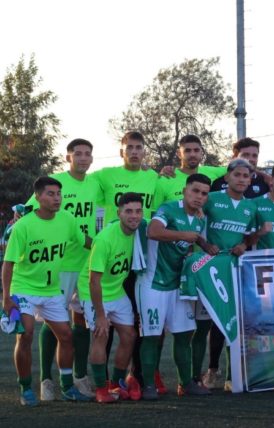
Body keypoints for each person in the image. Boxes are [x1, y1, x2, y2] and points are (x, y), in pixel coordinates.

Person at [23, 139, 102, 400]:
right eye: (77, 154)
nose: (83, 158)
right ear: (68, 157)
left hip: (88, 261)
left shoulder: (96, 183)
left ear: (92, 158)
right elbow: (26, 213)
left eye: (87, 154)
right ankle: (47, 380)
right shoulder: (54, 182)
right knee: (54, 321)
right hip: (60, 264)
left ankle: (78, 378)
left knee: (82, 321)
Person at [2, 177, 90, 405]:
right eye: (50, 194)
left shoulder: (68, 219)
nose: (56, 198)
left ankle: (67, 386)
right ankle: (25, 388)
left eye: (58, 194)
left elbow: (86, 242)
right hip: (24, 288)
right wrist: (6, 297)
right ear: (38, 197)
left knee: (66, 335)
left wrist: (112, 241)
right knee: (27, 333)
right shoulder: (23, 226)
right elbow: (8, 263)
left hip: (51, 290)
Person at [90, 131, 160, 398]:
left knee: (137, 325)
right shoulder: (105, 175)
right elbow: (76, 182)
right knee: (102, 328)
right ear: (122, 151)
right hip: (110, 255)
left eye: (138, 147)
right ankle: (102, 381)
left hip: (141, 259)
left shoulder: (155, 177)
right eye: (129, 147)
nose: (133, 151)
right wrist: (24, 208)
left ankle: (135, 377)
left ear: (144, 152)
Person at [138, 174, 217, 400]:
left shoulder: (200, 219)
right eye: (195, 191)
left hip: (178, 286)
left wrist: (205, 244)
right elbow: (152, 231)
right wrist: (185, 235)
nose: (199, 197)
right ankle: (149, 385)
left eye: (204, 193)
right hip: (153, 284)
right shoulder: (169, 208)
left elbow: (194, 238)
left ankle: (186, 383)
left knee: (184, 334)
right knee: (152, 336)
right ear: (185, 191)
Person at [196, 159, 258, 390]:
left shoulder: (250, 207)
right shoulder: (212, 198)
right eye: (238, 175)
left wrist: (244, 245)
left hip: (235, 269)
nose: (242, 179)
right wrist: (203, 243)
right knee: (209, 323)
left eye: (246, 176)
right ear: (227, 177)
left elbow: (249, 237)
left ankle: (233, 376)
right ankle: (209, 371)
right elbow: (196, 223)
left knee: (234, 321)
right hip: (209, 267)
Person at [80, 193, 143, 402]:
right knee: (101, 333)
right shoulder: (105, 239)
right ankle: (101, 389)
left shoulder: (139, 230)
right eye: (128, 211)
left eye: (138, 211)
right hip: (94, 291)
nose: (134, 216)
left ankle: (116, 383)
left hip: (116, 290)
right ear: (119, 213)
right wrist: (100, 315)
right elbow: (93, 281)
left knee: (129, 335)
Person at [154, 134, 224, 205]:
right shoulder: (166, 179)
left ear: (201, 152)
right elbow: (154, 212)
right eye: (187, 151)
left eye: (196, 150)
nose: (192, 154)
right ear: (179, 154)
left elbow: (234, 167)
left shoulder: (212, 172)